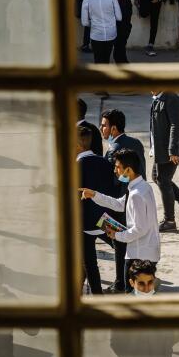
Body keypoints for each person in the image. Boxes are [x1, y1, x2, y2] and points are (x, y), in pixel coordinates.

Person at [80, 148, 161, 289]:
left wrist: (117, 235)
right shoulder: (142, 187)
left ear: (128, 170)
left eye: (118, 167)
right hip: (145, 251)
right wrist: (94, 195)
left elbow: (139, 229)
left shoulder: (136, 194)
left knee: (133, 295)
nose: (115, 170)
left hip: (139, 254)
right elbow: (119, 204)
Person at [77, 126, 123, 295]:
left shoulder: (76, 165)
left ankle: (97, 295)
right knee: (122, 245)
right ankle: (126, 280)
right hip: (105, 218)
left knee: (90, 262)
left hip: (85, 223)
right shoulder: (105, 162)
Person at [149, 91, 179, 230]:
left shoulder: (172, 98)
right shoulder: (158, 99)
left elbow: (176, 125)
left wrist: (173, 150)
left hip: (169, 150)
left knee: (163, 180)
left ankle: (169, 220)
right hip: (161, 149)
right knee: (158, 177)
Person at [81, 0, 121, 64]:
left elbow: (85, 23)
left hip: (96, 35)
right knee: (106, 60)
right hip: (111, 34)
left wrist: (94, 22)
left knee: (98, 60)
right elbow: (119, 17)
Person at [101, 108, 147, 177]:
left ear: (113, 128)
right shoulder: (136, 142)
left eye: (104, 126)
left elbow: (112, 179)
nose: (100, 129)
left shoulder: (113, 150)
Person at [107, 0, 132, 64]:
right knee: (119, 55)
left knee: (119, 56)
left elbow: (121, 16)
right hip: (121, 30)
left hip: (121, 30)